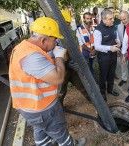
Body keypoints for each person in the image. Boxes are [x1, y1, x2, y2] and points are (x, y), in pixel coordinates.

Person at [9, 17, 86, 146]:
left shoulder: (23, 47)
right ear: (43, 40)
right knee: (60, 132)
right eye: (54, 39)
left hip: (31, 108)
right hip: (43, 108)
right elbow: (58, 78)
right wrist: (59, 57)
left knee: (40, 128)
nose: (55, 43)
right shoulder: (32, 57)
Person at [93, 9, 120, 101]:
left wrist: (117, 41)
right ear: (104, 19)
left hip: (113, 56)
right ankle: (102, 92)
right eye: (110, 18)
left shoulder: (112, 26)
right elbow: (97, 46)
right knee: (103, 76)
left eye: (113, 18)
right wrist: (110, 48)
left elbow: (115, 37)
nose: (113, 20)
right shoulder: (98, 30)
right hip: (104, 58)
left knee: (111, 74)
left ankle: (110, 89)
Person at [76, 12, 96, 79]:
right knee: (85, 70)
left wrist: (94, 51)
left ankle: (93, 82)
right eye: (87, 19)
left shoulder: (93, 29)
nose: (89, 20)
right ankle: (87, 84)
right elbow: (81, 43)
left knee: (92, 68)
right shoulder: (79, 30)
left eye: (90, 18)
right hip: (85, 53)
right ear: (84, 19)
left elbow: (96, 41)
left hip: (93, 53)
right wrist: (90, 51)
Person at [117, 11, 129, 86]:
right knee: (123, 64)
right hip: (123, 50)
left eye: (124, 19)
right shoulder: (119, 26)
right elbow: (119, 38)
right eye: (121, 19)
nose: (123, 21)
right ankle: (124, 78)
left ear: (128, 17)